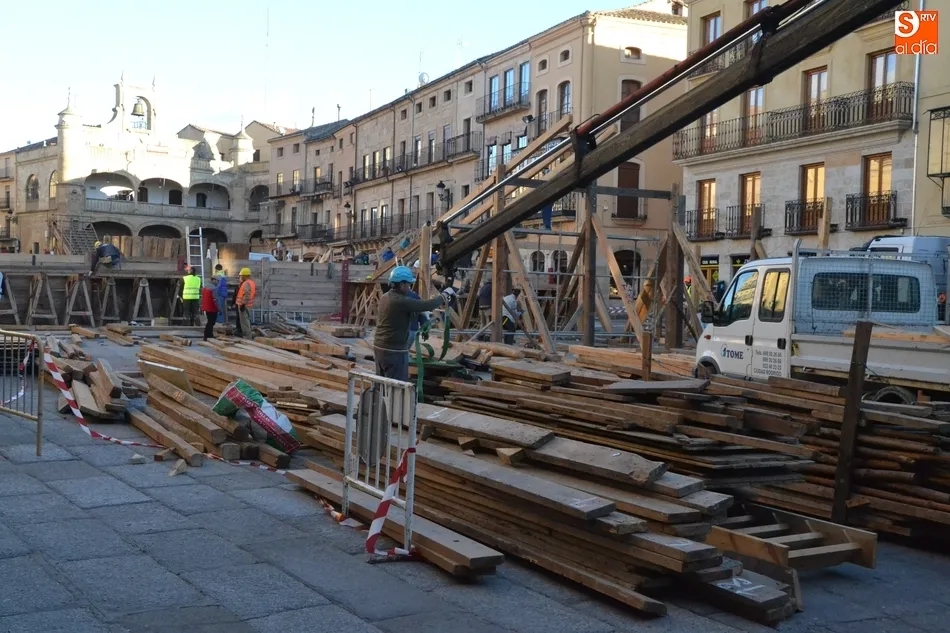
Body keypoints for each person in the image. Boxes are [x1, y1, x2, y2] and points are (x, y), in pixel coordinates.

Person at [373, 265, 452, 382]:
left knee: (381, 383)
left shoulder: (386, 297)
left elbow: (401, 314)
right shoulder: (399, 300)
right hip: (394, 350)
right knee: (397, 386)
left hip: (380, 347)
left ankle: (380, 400)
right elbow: (426, 305)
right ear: (401, 284)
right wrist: (444, 296)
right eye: (408, 285)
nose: (409, 288)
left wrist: (423, 317)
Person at [234, 267, 256, 338]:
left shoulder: (246, 283)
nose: (240, 277)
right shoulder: (251, 282)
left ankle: (247, 336)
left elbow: (247, 294)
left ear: (245, 275)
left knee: (244, 322)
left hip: (244, 305)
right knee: (246, 321)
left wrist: (243, 304)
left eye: (241, 275)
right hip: (248, 305)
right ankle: (248, 335)